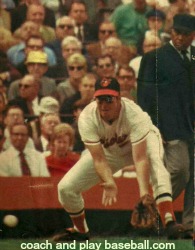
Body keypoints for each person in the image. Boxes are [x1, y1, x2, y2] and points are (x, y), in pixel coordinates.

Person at [53, 77, 184, 241]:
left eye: (109, 99)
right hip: (110, 152)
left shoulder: (134, 113)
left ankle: (169, 222)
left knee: (156, 164)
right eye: (100, 99)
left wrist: (144, 193)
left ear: (119, 99)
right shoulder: (87, 117)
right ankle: (81, 231)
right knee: (65, 188)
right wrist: (108, 180)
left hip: (142, 143)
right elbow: (99, 159)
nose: (104, 104)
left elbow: (140, 158)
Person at [137, 13, 195, 239]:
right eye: (176, 32)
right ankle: (152, 208)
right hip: (169, 126)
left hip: (191, 125)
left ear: (193, 35)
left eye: (185, 34)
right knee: (180, 170)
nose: (180, 37)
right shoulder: (155, 57)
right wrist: (151, 126)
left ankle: (190, 225)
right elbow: (144, 96)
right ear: (171, 32)